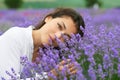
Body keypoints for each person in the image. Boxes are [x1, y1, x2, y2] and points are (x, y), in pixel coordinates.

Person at [0, 8, 85, 79]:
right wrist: (49, 76)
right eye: (59, 26)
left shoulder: (50, 58)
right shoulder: (15, 37)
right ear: (48, 18)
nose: (58, 36)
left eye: (66, 37)